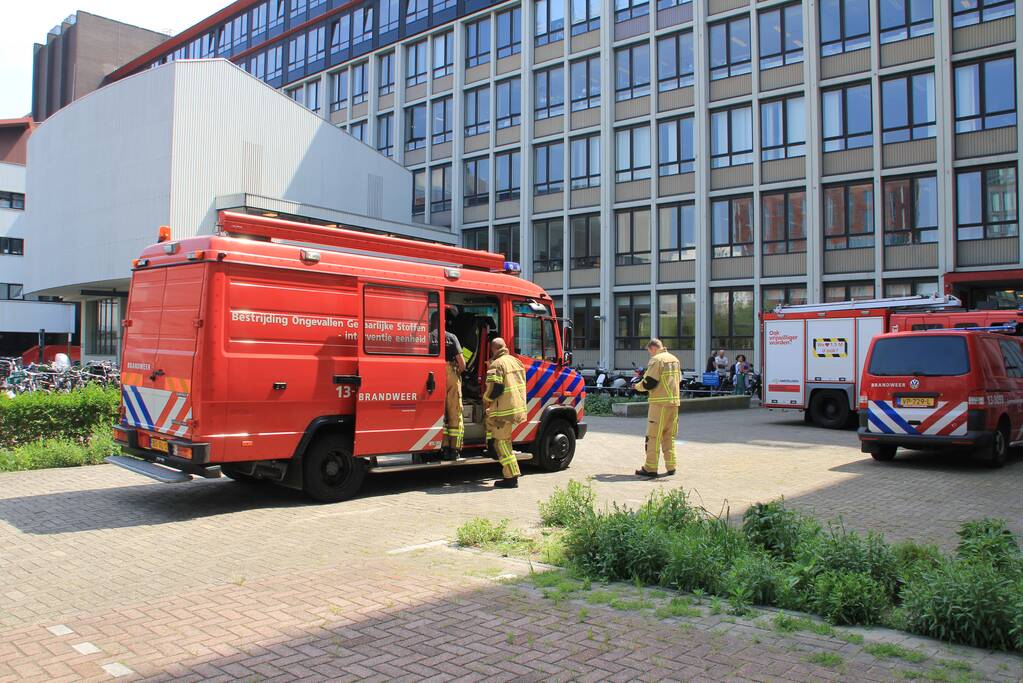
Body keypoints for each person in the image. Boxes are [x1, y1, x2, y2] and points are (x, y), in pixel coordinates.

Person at [483, 337, 527, 488]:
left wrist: (485, 397)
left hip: (503, 411)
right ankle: (491, 447)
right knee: (501, 439)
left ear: (493, 349)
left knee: (502, 443)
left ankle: (511, 477)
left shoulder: (496, 364)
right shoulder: (516, 361)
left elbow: (495, 388)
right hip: (515, 408)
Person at [634, 338, 681, 478]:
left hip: (659, 404)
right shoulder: (675, 359)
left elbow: (649, 382)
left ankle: (650, 468)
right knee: (669, 435)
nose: (650, 354)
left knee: (653, 436)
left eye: (649, 351)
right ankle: (671, 466)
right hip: (674, 403)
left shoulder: (657, 360)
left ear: (653, 348)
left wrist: (637, 386)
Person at [441, 305, 466, 461]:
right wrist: (457, 373)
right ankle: (454, 449)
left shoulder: (426, 336)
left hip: (431, 373)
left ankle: (443, 447)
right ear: (444, 321)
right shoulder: (451, 337)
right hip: (450, 372)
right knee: (454, 410)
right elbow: (462, 363)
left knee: (439, 413)